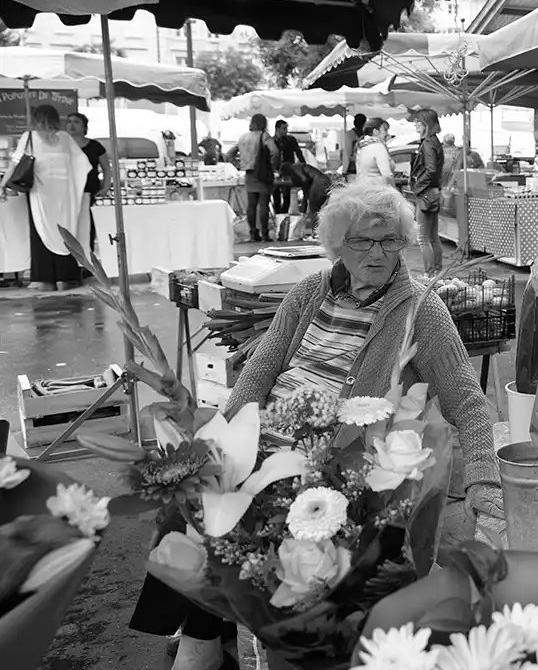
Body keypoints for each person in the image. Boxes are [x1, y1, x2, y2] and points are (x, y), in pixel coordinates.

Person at [128, 180, 503, 670]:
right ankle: (204, 638)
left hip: (331, 461)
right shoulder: (309, 291)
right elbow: (260, 371)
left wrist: (484, 487)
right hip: (262, 439)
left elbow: (469, 402)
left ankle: (204, 644)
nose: (378, 253)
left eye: (390, 240)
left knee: (240, 521)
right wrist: (219, 441)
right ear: (337, 244)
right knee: (192, 499)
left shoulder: (422, 309)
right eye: (363, 240)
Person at [0, 105, 90, 291]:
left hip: (41, 193)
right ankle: (65, 278)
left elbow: (15, 164)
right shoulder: (65, 138)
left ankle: (44, 279)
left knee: (41, 231)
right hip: (65, 194)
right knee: (65, 232)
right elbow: (84, 165)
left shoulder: (30, 137)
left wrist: (2, 185)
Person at [64, 112, 107, 256]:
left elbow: (106, 168)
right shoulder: (62, 145)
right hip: (67, 192)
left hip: (89, 191)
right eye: (69, 121)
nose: (72, 125)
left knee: (88, 227)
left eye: (76, 122)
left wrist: (105, 187)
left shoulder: (95, 146)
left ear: (84, 127)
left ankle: (87, 257)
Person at [409, 109, 444, 277]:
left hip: (426, 192)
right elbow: (433, 170)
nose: (415, 124)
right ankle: (437, 272)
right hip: (433, 192)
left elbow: (430, 170)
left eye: (418, 121)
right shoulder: (434, 141)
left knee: (423, 238)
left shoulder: (428, 143)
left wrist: (417, 187)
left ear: (426, 124)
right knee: (433, 236)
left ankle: (430, 274)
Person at [236, 113, 278, 242]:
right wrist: (272, 165)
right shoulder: (264, 136)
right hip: (262, 174)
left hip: (249, 174)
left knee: (251, 205)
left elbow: (229, 154)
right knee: (263, 204)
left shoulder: (243, 137)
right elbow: (275, 151)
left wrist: (239, 164)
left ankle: (253, 233)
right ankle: (265, 233)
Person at [279, 161, 331, 239]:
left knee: (312, 211)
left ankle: (308, 234)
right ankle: (316, 232)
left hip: (318, 184)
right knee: (317, 210)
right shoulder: (301, 166)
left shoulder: (295, 168)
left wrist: (304, 192)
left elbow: (304, 179)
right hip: (326, 182)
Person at [271, 120, 305, 215]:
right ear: (277, 128)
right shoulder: (271, 141)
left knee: (287, 193)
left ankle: (284, 213)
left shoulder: (290, 140)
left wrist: (303, 165)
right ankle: (277, 213)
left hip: (288, 170)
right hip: (275, 170)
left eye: (286, 128)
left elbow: (298, 152)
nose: (286, 130)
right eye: (284, 128)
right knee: (275, 193)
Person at [354, 118, 394, 184]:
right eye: (385, 130)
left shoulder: (362, 146)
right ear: (375, 131)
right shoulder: (378, 147)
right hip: (378, 188)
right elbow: (387, 175)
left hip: (363, 187)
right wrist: (393, 188)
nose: (387, 133)